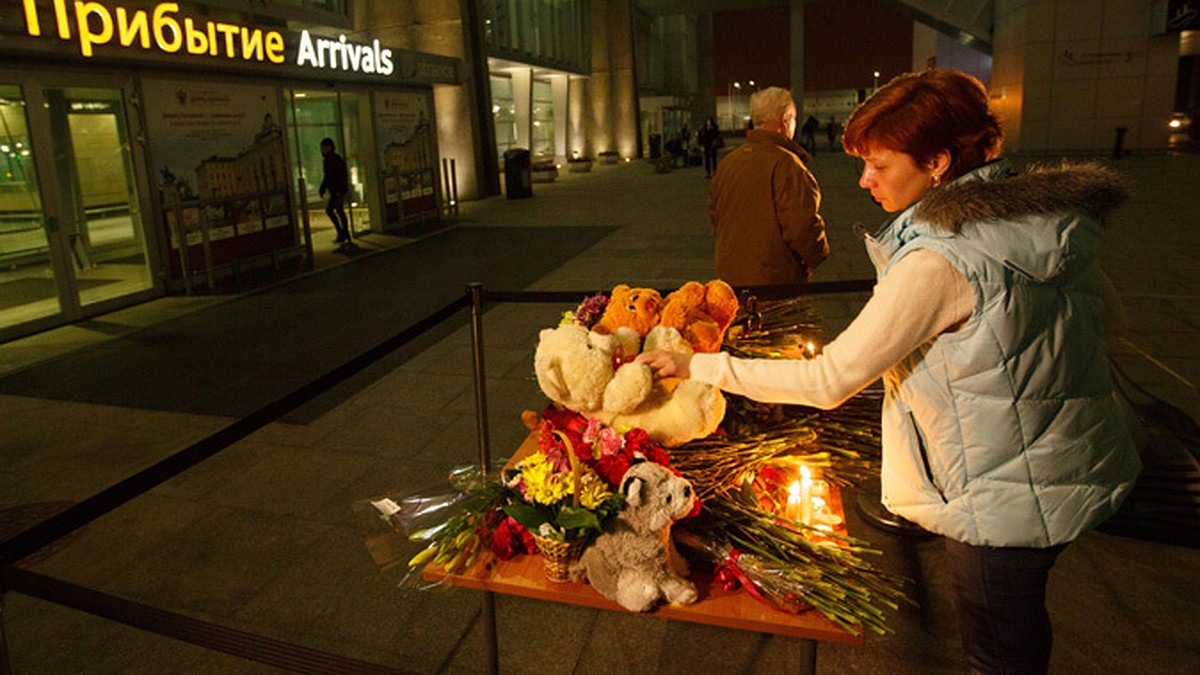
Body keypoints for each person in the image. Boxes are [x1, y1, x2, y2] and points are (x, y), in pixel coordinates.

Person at [639, 69, 1141, 675]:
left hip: (996, 489)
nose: (864, 180)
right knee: (1021, 624)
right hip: (1073, 462)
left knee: (997, 646)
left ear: (936, 161)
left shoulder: (942, 257)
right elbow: (1109, 323)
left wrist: (699, 364)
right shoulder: (1047, 221)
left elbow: (829, 380)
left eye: (878, 164)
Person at [708, 86, 829, 286]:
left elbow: (715, 217)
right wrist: (817, 255)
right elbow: (801, 226)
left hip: (730, 279)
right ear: (785, 121)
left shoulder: (728, 162)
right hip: (775, 281)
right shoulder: (787, 165)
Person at [318, 137, 351, 244]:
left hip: (338, 191)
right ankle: (344, 233)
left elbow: (339, 175)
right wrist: (323, 188)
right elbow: (328, 176)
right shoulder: (330, 159)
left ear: (329, 148)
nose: (322, 150)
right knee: (338, 211)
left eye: (324, 148)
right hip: (336, 190)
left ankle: (343, 233)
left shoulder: (334, 160)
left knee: (332, 210)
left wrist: (338, 190)